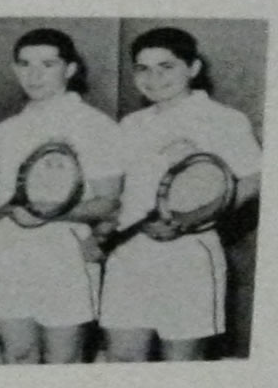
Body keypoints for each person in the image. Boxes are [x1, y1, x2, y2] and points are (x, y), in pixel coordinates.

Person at [99, 27, 262, 361]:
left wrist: (188, 221)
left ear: (193, 68)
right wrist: (105, 229)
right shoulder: (131, 124)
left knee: (181, 365)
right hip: (129, 256)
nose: (154, 78)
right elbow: (124, 194)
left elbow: (252, 181)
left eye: (166, 66)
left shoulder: (224, 120)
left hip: (189, 256)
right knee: (122, 361)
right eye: (143, 69)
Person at [0, 28, 123, 364]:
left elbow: (109, 202)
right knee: (17, 355)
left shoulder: (95, 125)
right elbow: (3, 202)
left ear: (70, 70)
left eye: (47, 64)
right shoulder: (6, 130)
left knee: (63, 361)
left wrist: (48, 214)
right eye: (25, 64)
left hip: (65, 254)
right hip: (8, 254)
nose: (34, 74)